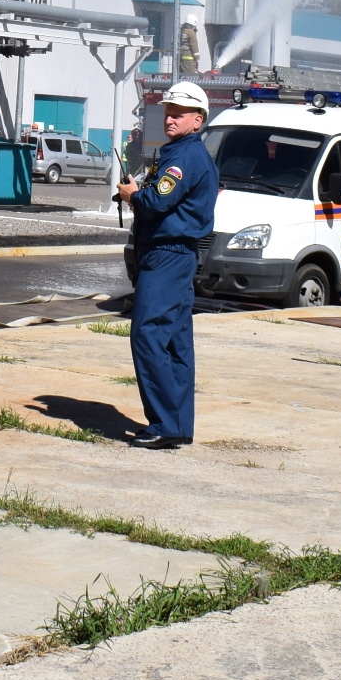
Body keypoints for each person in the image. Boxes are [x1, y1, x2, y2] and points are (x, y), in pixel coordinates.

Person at [115, 80, 218, 449]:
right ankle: (177, 424)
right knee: (175, 342)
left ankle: (164, 423)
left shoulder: (183, 157)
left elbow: (157, 202)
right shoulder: (184, 153)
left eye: (178, 114)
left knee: (148, 334)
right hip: (176, 255)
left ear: (198, 120)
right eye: (168, 113)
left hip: (167, 256)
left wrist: (132, 195)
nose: (170, 119)